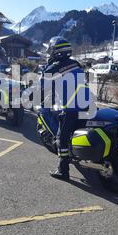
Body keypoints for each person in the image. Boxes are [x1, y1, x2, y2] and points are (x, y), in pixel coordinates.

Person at [40, 37, 90, 181]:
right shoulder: (75, 63)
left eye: (51, 51)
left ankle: (63, 170)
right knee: (78, 130)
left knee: (61, 137)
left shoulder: (53, 68)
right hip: (87, 103)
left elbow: (42, 86)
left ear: (56, 52)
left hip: (71, 106)